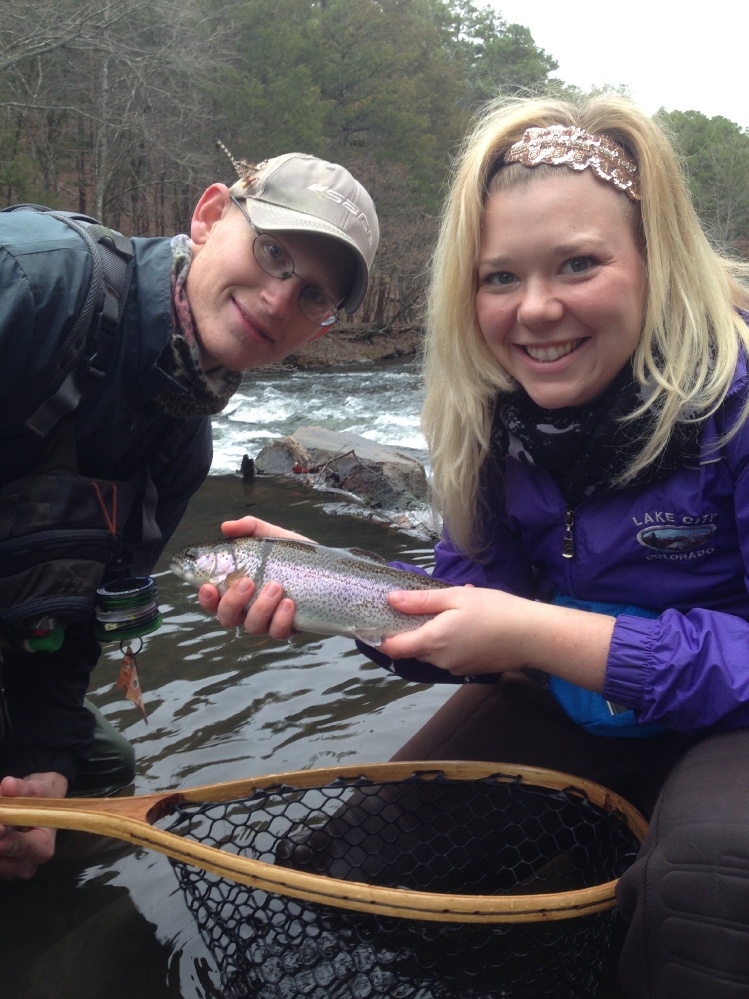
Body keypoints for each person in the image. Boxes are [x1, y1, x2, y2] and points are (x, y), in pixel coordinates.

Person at [200, 93, 749, 997]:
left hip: (731, 722)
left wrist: (539, 635)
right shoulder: (487, 420)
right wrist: (335, 591)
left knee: (708, 897)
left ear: (656, 262)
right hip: (568, 703)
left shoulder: (734, 403)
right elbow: (471, 614)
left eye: (578, 264)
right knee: (347, 865)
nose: (535, 310)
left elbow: (514, 632)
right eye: (499, 278)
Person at [0, 150, 379, 880]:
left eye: (311, 296)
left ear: (320, 327)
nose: (277, 299)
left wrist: (41, 762)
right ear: (208, 217)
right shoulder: (35, 283)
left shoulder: (182, 438)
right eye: (272, 252)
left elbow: (74, 617)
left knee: (98, 765)